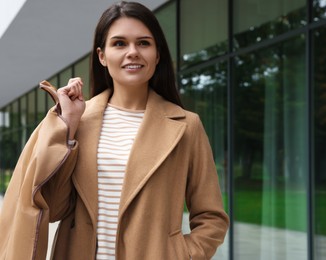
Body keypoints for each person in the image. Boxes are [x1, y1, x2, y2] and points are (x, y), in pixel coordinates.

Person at [0, 1, 229, 259]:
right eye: (119, 43)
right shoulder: (80, 121)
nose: (132, 52)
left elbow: (212, 218)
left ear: (158, 54)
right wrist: (68, 129)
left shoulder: (187, 126)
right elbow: (54, 208)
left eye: (143, 43)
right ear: (102, 56)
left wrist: (180, 253)